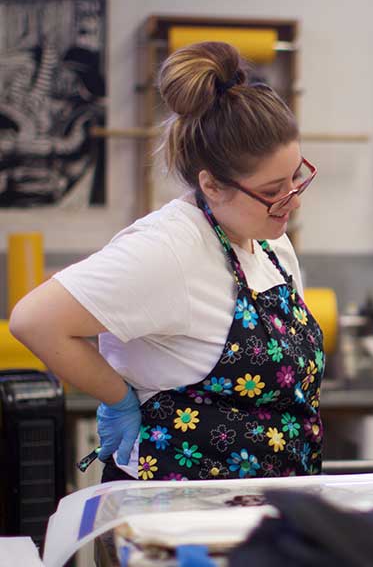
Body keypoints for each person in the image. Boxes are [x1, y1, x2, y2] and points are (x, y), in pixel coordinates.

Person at [10, 41, 325, 481]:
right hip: (175, 512)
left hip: (265, 507)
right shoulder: (169, 250)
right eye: (273, 191)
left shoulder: (271, 245)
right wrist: (117, 398)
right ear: (212, 185)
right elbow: (34, 320)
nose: (291, 201)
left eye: (296, 178)